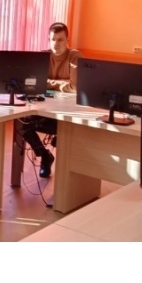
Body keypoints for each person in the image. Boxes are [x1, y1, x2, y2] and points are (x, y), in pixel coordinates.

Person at [19, 22, 81, 178]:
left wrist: (47, 83)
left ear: (67, 40)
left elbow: (74, 87)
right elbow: (35, 83)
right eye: (53, 39)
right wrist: (62, 84)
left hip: (66, 111)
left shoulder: (74, 56)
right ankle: (45, 156)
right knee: (22, 123)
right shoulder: (42, 56)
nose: (56, 44)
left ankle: (66, 172)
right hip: (45, 107)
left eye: (60, 40)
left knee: (66, 130)